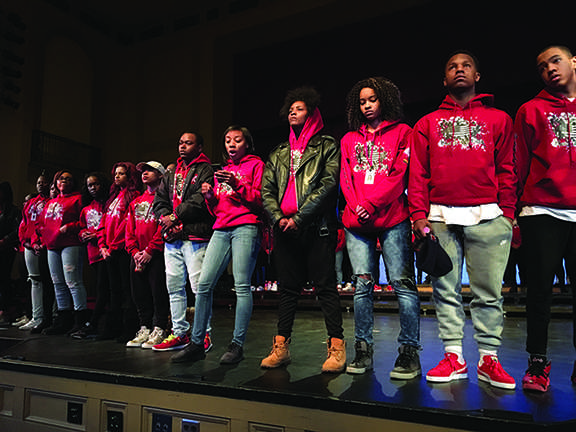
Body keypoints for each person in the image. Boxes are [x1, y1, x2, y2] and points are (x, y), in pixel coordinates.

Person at [409, 51, 517, 389]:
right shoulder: (426, 123)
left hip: (488, 214)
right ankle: (454, 357)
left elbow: (507, 170)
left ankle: (489, 360)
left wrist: (509, 216)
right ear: (444, 79)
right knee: (445, 290)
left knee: (488, 293)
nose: (459, 70)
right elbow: (418, 173)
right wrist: (417, 214)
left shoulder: (499, 119)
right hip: (440, 215)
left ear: (477, 76)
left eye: (466, 65)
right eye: (452, 67)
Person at [260, 86, 345, 373]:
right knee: (287, 290)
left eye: (299, 108)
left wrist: (300, 217)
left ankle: (337, 348)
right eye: (290, 109)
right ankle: (281, 347)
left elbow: (328, 184)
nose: (293, 112)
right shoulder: (280, 152)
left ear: (311, 112)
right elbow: (266, 190)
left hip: (317, 228)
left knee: (326, 289)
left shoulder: (327, 145)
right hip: (285, 230)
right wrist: (279, 218)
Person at [340, 77, 421, 378]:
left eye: (372, 99)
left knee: (402, 284)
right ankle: (363, 349)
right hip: (357, 223)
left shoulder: (404, 133)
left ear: (383, 100)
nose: (367, 106)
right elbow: (346, 177)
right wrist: (357, 205)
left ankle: (409, 351)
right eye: (362, 101)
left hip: (393, 218)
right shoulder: (349, 140)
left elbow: (399, 174)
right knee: (362, 287)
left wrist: (371, 204)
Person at [171, 126, 264, 364]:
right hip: (221, 228)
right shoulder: (222, 170)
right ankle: (196, 343)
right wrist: (211, 197)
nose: (231, 144)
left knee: (242, 285)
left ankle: (237, 345)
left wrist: (237, 184)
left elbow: (259, 201)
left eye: (237, 140)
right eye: (227, 140)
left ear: (247, 144)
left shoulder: (255, 165)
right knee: (203, 285)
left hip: (246, 226)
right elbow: (216, 209)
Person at [515, 45, 576, 391]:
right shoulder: (530, 110)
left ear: (573, 62)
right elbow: (518, 162)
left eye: (555, 61)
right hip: (542, 210)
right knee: (540, 292)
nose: (549, 69)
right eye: (542, 67)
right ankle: (537, 363)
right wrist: (513, 211)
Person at [152, 131, 215, 352]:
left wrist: (175, 217)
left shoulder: (206, 169)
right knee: (174, 286)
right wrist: (166, 219)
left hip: (195, 235)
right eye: (180, 143)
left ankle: (203, 334)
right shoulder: (171, 172)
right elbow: (159, 200)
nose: (182, 146)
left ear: (199, 147)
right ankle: (179, 333)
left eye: (188, 143)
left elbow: (199, 200)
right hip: (172, 237)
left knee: (199, 287)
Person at [125, 161, 170, 348]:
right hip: (137, 256)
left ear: (161, 175)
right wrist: (134, 251)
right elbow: (129, 230)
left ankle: (159, 327)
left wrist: (150, 250)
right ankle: (144, 327)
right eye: (143, 171)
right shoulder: (136, 202)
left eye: (150, 170)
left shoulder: (164, 199)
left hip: (155, 254)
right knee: (139, 293)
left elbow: (163, 227)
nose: (145, 173)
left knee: (158, 292)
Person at [38, 171, 90, 335]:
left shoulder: (78, 198)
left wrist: (70, 227)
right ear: (56, 182)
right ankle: (63, 320)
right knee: (57, 283)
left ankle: (80, 321)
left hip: (71, 243)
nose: (65, 181)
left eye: (69, 179)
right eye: (61, 178)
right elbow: (42, 222)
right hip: (52, 245)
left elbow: (85, 220)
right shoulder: (51, 202)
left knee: (72, 281)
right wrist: (41, 234)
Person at [98, 162, 141, 342]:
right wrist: (102, 245)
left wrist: (114, 246)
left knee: (127, 290)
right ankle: (112, 328)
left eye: (122, 174)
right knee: (113, 290)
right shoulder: (112, 198)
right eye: (115, 173)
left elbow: (128, 225)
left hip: (123, 250)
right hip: (109, 250)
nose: (117, 176)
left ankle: (128, 329)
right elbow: (103, 224)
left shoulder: (134, 196)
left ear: (129, 176)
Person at [71, 172, 111, 339]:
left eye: (96, 184)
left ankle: (94, 324)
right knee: (100, 287)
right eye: (89, 185)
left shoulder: (109, 205)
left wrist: (99, 236)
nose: (93, 188)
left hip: (107, 251)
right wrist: (83, 234)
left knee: (104, 288)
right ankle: (96, 323)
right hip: (93, 253)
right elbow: (81, 227)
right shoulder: (87, 209)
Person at [17, 174, 54, 332]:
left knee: (50, 280)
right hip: (29, 245)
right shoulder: (31, 202)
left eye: (44, 182)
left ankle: (52, 315)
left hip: (45, 245)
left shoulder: (51, 203)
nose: (40, 185)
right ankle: (36, 316)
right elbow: (24, 223)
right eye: (38, 182)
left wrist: (40, 242)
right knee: (34, 280)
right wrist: (25, 241)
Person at [0, 181, 23, 326]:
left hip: (6, 249)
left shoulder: (14, 211)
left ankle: (4, 310)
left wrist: (5, 240)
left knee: (3, 278)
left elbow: (17, 230)